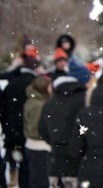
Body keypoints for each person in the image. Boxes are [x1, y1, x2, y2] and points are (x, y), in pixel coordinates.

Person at [39, 56, 92, 188]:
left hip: (56, 160)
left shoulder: (51, 101)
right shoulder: (85, 100)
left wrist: (56, 142)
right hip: (80, 160)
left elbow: (42, 129)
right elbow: (89, 128)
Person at [0, 53, 40, 188]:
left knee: (9, 160)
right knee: (27, 167)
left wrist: (6, 128)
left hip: (12, 131)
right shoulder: (35, 85)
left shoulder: (12, 84)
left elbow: (3, 109)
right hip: (29, 132)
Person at [23, 74, 52, 188]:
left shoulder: (34, 101)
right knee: (40, 181)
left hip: (34, 146)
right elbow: (35, 129)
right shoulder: (39, 105)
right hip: (39, 147)